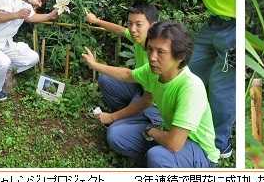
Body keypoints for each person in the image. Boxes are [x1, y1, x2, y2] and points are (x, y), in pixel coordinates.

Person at [111, 0, 236, 158]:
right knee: (189, 74)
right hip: (215, 23)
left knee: (222, 87)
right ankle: (184, 127)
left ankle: (220, 145)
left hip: (235, 24)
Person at [82, 21, 219, 168]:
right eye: (150, 50)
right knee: (116, 135)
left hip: (200, 152)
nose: (152, 57)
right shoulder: (154, 71)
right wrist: (94, 65)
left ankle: (163, 162)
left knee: (158, 156)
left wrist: (151, 131)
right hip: (168, 133)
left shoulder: (190, 87)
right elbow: (127, 74)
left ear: (180, 56)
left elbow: (174, 144)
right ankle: (156, 161)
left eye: (161, 52)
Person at [85, 3, 158, 116]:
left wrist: (94, 65)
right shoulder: (140, 37)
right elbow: (120, 30)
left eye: (139, 24)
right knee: (105, 79)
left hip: (152, 102)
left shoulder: (157, 54)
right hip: (140, 87)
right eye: (130, 23)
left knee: (115, 133)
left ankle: (125, 119)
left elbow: (128, 75)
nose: (133, 30)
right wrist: (96, 21)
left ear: (152, 26)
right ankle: (124, 114)